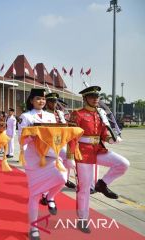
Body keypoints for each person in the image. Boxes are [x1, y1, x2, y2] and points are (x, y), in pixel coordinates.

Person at [68, 86, 130, 233]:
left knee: (123, 164)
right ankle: (82, 220)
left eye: (97, 96)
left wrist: (111, 139)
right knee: (84, 189)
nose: (95, 98)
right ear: (85, 98)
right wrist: (70, 156)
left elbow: (103, 134)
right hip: (82, 153)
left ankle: (102, 184)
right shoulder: (77, 114)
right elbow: (70, 136)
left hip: (98, 150)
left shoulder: (100, 114)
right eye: (92, 96)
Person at [18, 88, 73, 240]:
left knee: (62, 178)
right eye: (38, 99)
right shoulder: (25, 116)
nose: (41, 101)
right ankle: (33, 228)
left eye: (43, 99)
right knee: (34, 195)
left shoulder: (51, 116)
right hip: (34, 159)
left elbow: (55, 135)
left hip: (50, 156)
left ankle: (49, 197)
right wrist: (35, 134)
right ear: (31, 100)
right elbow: (21, 139)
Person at [45, 92, 76, 189]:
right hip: (48, 142)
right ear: (47, 102)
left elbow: (65, 124)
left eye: (55, 101)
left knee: (69, 159)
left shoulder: (59, 113)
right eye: (51, 101)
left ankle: (65, 179)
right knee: (52, 163)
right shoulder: (43, 113)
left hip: (60, 140)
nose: (54, 103)